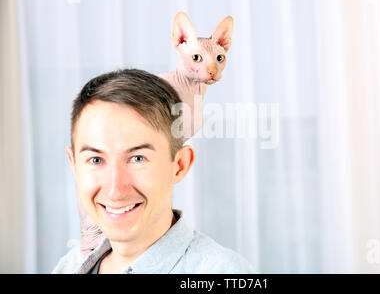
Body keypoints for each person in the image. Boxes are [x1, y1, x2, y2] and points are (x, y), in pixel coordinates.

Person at [52, 69, 255, 274]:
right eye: (95, 160)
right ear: (74, 165)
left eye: (137, 158)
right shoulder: (69, 267)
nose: (115, 190)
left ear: (180, 165)